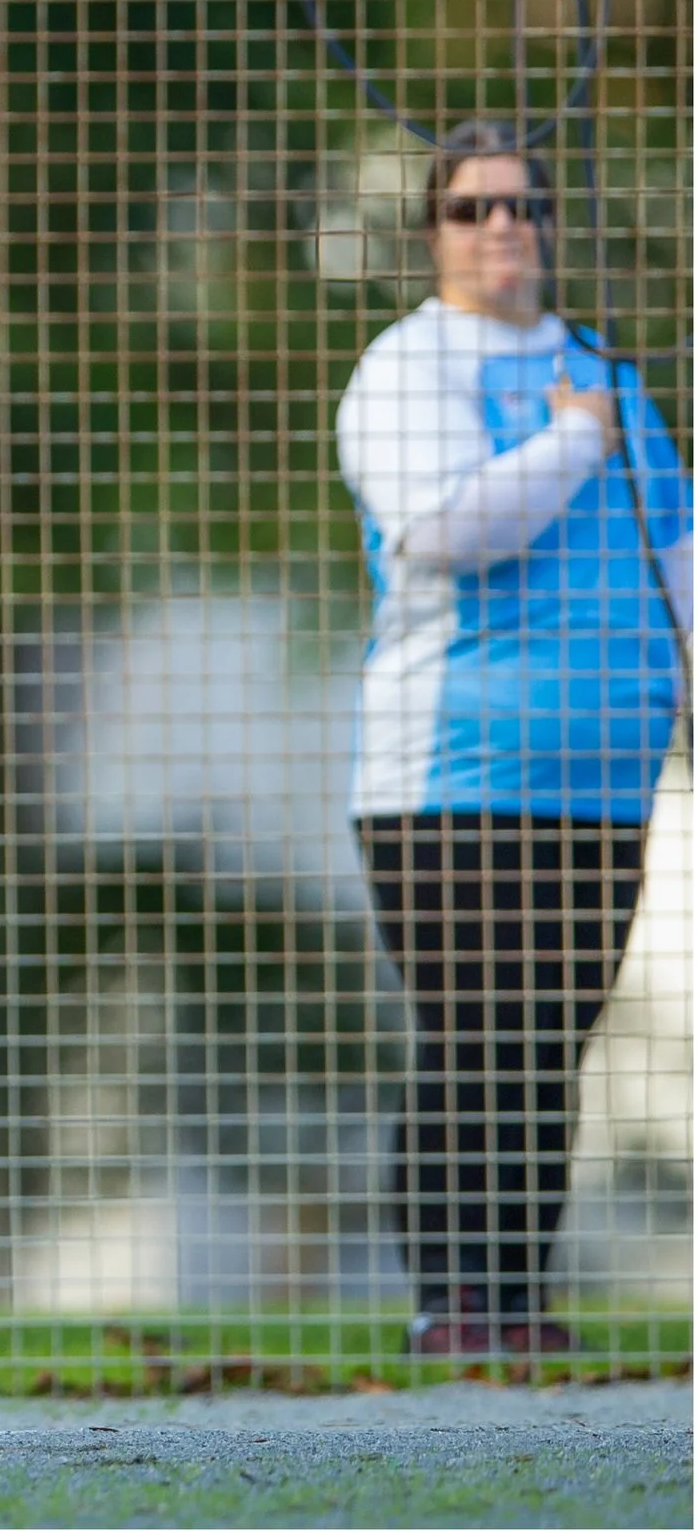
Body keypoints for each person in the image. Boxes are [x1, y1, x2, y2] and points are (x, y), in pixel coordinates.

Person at [334, 119, 693, 1358]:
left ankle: (518, 1300)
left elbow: (679, 558)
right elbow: (442, 527)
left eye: (521, 205)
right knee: (473, 1029)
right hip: (448, 778)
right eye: (472, 208)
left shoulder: (609, 377)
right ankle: (450, 1300)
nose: (502, 229)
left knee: (553, 1042)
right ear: (432, 231)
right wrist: (568, 436)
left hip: (600, 782)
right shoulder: (406, 370)